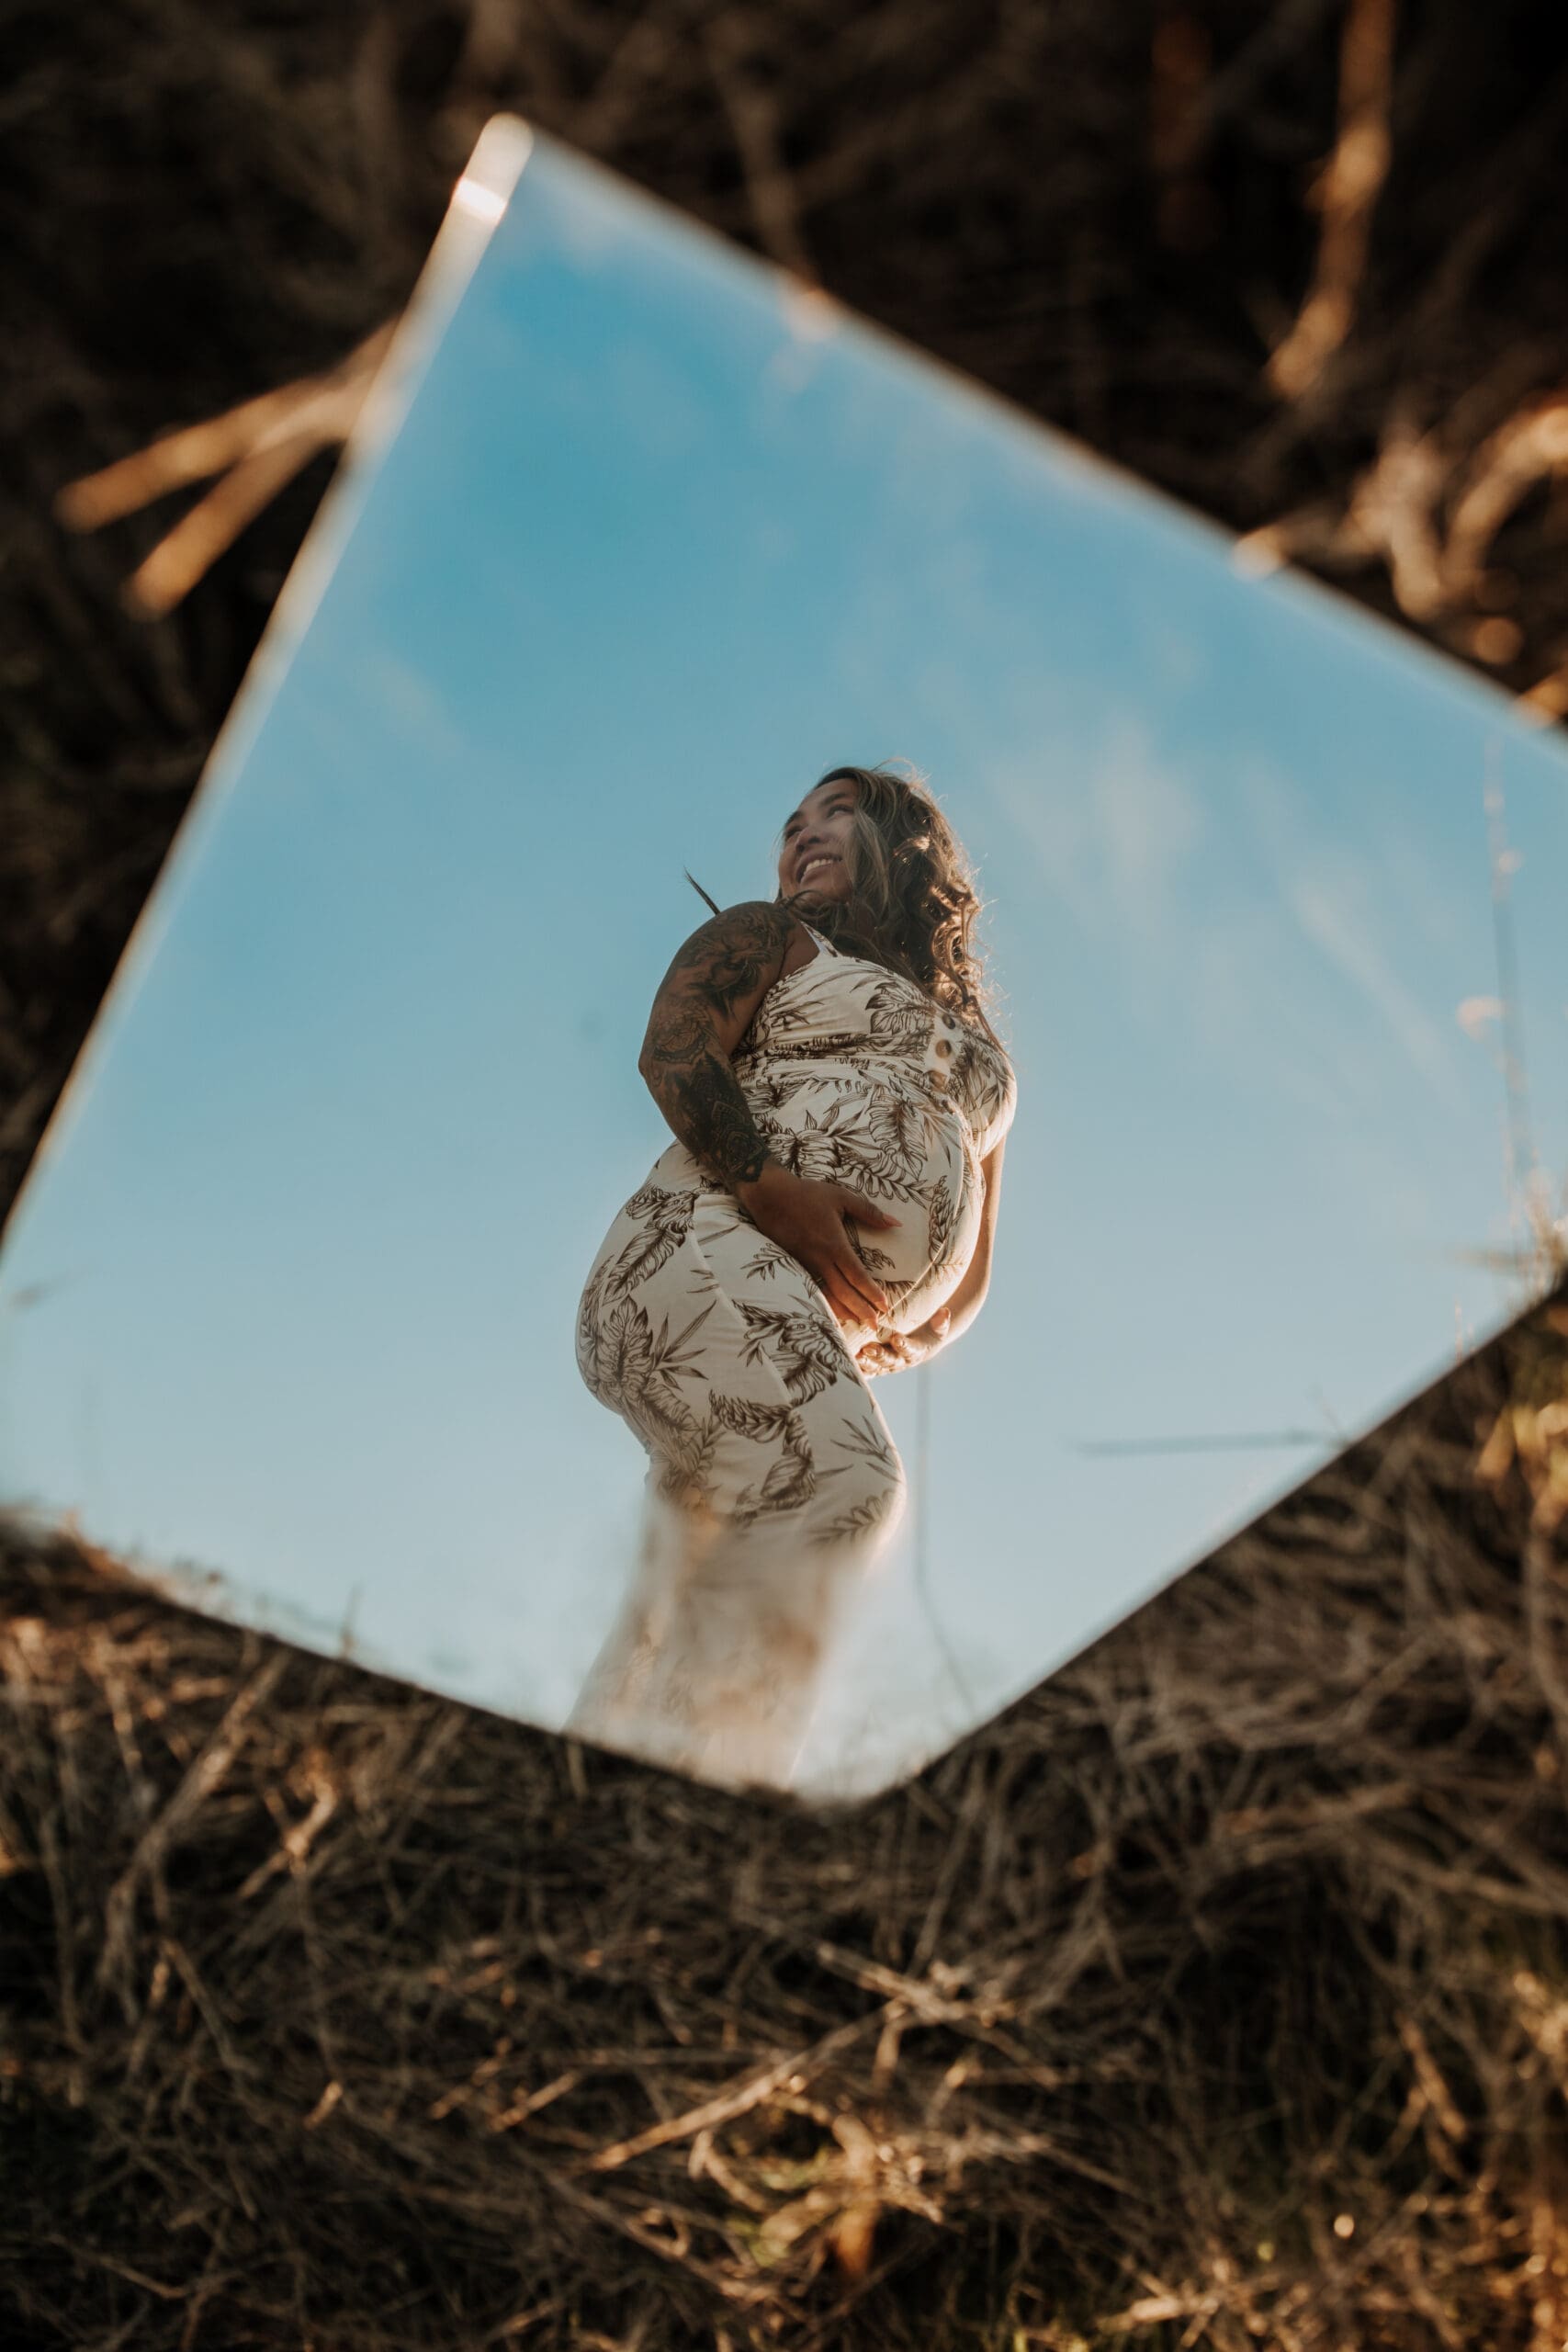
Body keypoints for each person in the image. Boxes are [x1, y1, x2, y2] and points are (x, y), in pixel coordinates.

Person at [568, 761, 1017, 1790]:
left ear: (906, 844)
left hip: (794, 1310)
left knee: (681, 1584)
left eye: (837, 811)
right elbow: (675, 1053)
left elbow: (975, 1243)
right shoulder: (772, 939)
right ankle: (705, 1810)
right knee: (841, 1480)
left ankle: (588, 1816)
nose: (801, 835)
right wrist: (773, 1189)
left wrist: (904, 1318)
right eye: (790, 824)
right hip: (705, 1238)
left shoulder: (984, 1058)